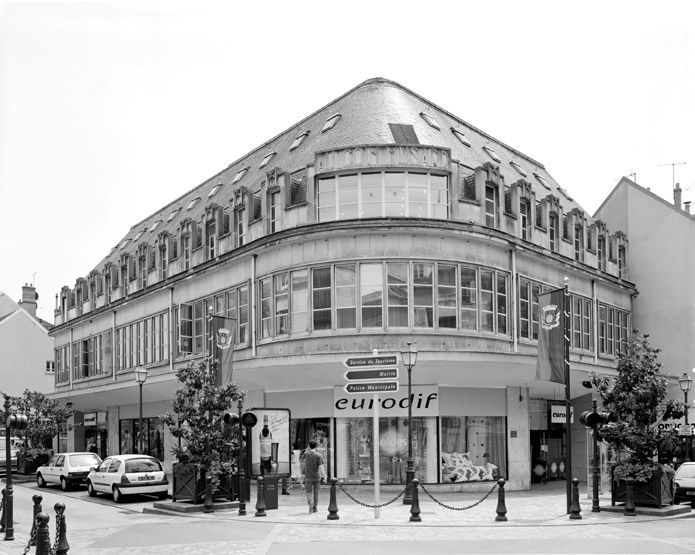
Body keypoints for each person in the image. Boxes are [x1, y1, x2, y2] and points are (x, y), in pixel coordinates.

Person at [303, 440, 326, 513]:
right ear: (316, 446)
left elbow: (306, 452)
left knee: (308, 492)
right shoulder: (319, 455)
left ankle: (310, 502)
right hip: (317, 477)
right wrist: (325, 476)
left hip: (308, 477)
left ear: (309, 446)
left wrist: (309, 447)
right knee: (316, 493)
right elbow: (321, 467)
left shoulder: (306, 454)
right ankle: (315, 508)